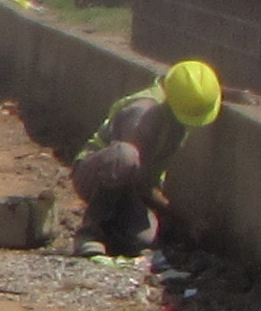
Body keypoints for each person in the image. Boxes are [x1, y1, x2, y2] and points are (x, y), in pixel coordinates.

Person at [67, 59, 221, 253]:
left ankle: (111, 230)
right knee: (126, 156)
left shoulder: (177, 104)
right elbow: (132, 173)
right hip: (96, 174)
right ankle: (89, 233)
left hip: (127, 185)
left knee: (142, 239)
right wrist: (177, 214)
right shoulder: (142, 114)